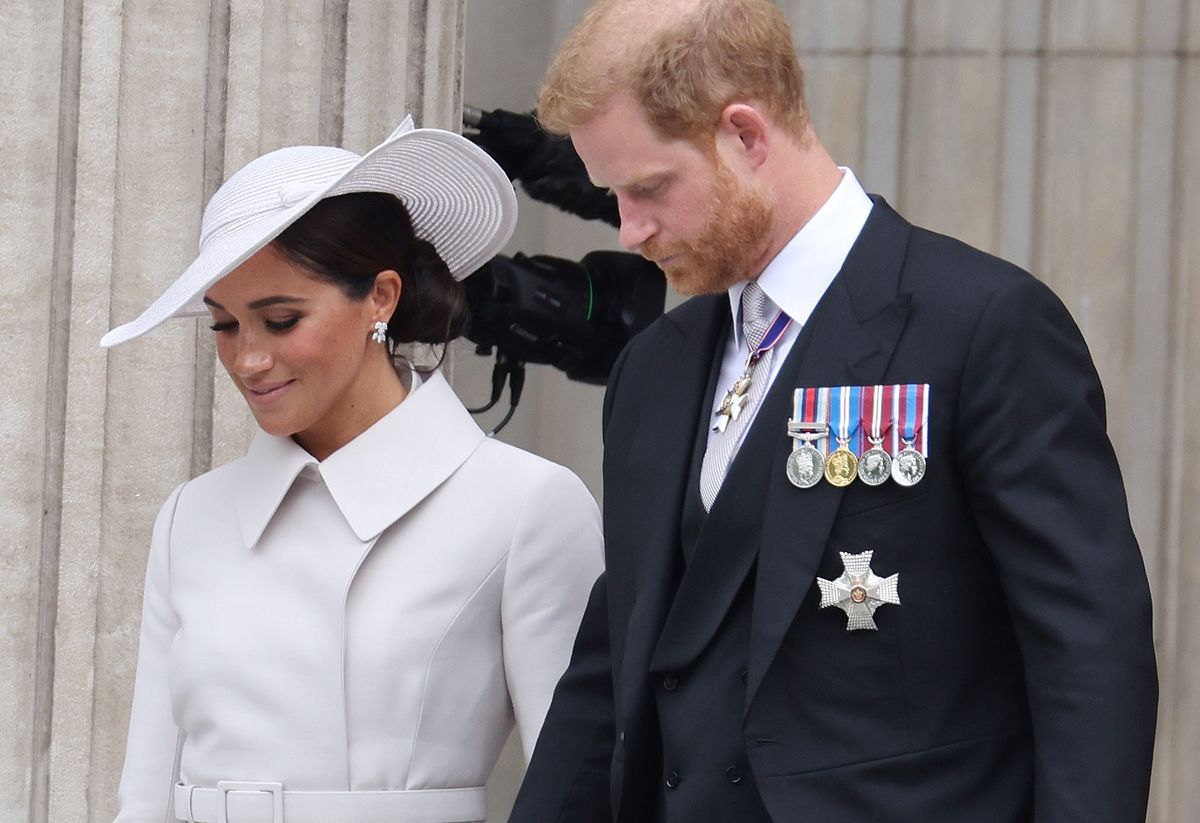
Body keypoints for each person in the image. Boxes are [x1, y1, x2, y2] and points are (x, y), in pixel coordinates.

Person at [509, 1, 1158, 821]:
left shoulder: (982, 326)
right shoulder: (654, 368)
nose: (631, 231)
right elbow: (612, 669)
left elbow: (1088, 652)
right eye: (614, 197)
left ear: (745, 135)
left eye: (648, 188)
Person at [101, 117, 603, 823]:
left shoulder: (525, 506)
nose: (246, 358)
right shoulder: (193, 517)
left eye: (279, 320)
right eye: (223, 324)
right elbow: (145, 795)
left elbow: (579, 787)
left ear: (381, 297)